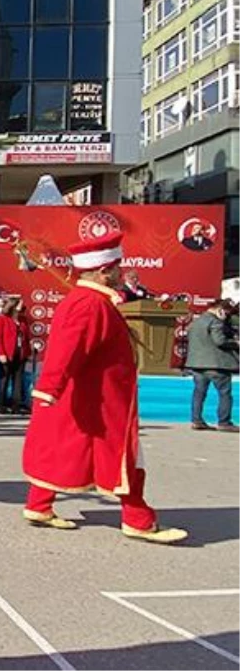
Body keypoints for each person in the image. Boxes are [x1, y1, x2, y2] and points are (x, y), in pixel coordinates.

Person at [21, 231, 188, 544]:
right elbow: (68, 348)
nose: (120, 272)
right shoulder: (90, 304)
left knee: (66, 448)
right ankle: (138, 520)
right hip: (104, 401)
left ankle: (39, 505)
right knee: (127, 460)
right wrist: (49, 388)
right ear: (103, 270)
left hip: (90, 397)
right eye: (116, 267)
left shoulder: (91, 300)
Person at [184, 299, 240, 431]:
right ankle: (224, 422)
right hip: (217, 364)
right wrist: (236, 343)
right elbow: (219, 341)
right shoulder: (215, 322)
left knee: (199, 393)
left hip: (197, 363)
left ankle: (196, 420)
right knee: (225, 393)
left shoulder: (196, 322)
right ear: (220, 310)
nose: (227, 316)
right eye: (226, 313)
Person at [0, 297, 29, 414]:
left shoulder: (23, 320)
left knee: (18, 380)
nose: (22, 306)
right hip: (7, 353)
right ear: (13, 306)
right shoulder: (1, 320)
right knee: (4, 379)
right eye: (19, 304)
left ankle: (16, 405)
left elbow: (26, 337)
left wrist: (28, 351)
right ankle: (2, 404)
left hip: (20, 353)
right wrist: (1, 353)